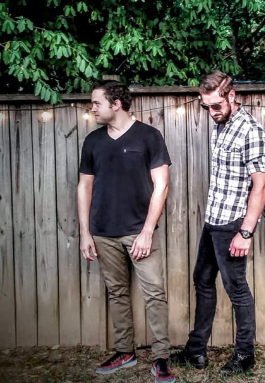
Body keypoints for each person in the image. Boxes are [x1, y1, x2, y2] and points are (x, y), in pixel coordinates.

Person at [170, 71, 265, 375]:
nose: (212, 112)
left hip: (233, 224)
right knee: (202, 279)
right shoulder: (220, 125)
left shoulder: (251, 130)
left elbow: (262, 185)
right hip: (212, 220)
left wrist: (245, 232)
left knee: (237, 289)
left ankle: (245, 355)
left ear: (232, 96)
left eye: (216, 105)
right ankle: (196, 351)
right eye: (206, 106)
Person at [77, 80, 174, 383]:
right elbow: (84, 186)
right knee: (117, 293)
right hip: (103, 232)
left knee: (154, 294)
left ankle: (161, 358)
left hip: (138, 231)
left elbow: (161, 186)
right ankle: (124, 352)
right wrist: (85, 232)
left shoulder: (149, 136)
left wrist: (147, 231)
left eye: (97, 103)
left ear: (116, 103)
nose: (92, 108)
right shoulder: (93, 141)